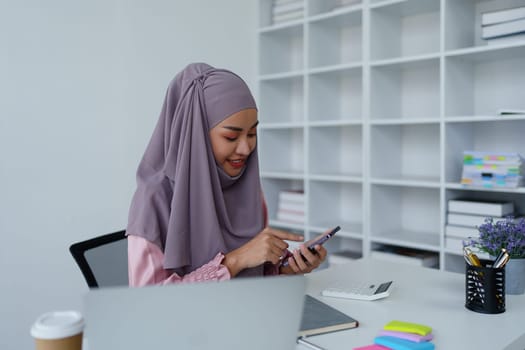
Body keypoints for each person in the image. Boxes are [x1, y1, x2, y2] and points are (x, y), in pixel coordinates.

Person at [126, 62, 327, 287]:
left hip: (248, 315)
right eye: (231, 137)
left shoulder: (248, 190)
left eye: (252, 134)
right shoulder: (153, 200)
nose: (246, 149)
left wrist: (286, 269)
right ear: (196, 135)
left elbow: (251, 281)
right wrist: (235, 261)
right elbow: (148, 304)